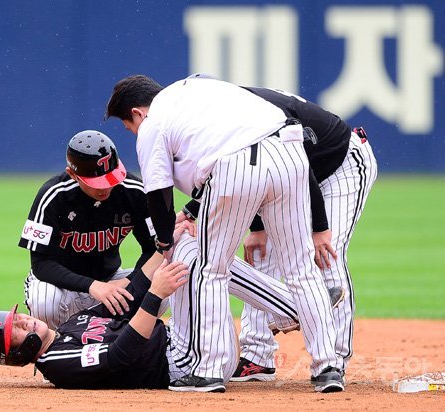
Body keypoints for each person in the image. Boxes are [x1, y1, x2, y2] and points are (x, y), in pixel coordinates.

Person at [105, 75, 344, 392]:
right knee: (301, 268)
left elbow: (159, 194)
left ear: (137, 112)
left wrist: (164, 242)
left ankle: (209, 370)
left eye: (129, 127)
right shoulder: (202, 87)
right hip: (289, 151)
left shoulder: (152, 123)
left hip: (236, 164)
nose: (134, 132)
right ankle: (328, 368)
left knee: (210, 269)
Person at [0, 226, 345, 391]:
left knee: (188, 247)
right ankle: (292, 308)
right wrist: (156, 297)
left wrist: (163, 246)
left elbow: (131, 293)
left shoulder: (71, 327)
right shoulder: (60, 364)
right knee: (193, 256)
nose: (24, 319)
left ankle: (289, 309)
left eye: (17, 316)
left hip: (191, 343)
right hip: (186, 363)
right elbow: (120, 356)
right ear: (17, 354)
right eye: (16, 329)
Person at [228, 87, 377, 384]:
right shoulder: (224, 118)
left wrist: (319, 229)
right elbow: (252, 173)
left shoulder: (252, 112)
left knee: (327, 256)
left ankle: (333, 360)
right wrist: (257, 229)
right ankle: (257, 356)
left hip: (342, 166)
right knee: (261, 253)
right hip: (292, 174)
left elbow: (300, 164)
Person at [19, 130, 157, 329]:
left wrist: (129, 280)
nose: (105, 187)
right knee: (45, 302)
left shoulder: (134, 192)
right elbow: (41, 264)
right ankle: (61, 342)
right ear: (72, 174)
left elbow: (154, 250)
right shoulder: (53, 196)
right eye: (97, 183)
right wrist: (92, 286)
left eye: (110, 178)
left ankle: (114, 341)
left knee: (158, 287)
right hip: (61, 285)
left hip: (110, 279)